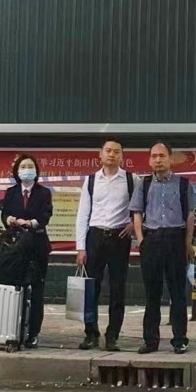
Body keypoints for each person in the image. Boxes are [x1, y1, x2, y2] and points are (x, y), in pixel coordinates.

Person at [132, 142, 196, 354]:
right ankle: (151, 340)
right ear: (150, 160)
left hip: (175, 240)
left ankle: (179, 339)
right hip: (151, 240)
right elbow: (137, 212)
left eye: (162, 156)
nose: (158, 160)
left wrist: (187, 243)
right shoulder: (144, 184)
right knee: (152, 293)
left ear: (170, 158)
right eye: (154, 156)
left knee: (177, 293)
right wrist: (141, 239)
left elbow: (189, 216)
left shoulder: (183, 184)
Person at [76, 140, 135, 352]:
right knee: (91, 288)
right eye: (108, 151)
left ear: (122, 156)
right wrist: (80, 247)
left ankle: (113, 336)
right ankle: (91, 333)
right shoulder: (91, 180)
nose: (111, 155)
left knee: (118, 289)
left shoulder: (131, 179)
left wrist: (133, 224)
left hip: (119, 238)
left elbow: (140, 209)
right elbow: (83, 214)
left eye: (116, 152)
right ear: (100, 155)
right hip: (96, 236)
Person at [0, 154, 52, 349]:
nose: (27, 169)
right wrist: (9, 219)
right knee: (15, 287)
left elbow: (46, 215)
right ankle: (13, 329)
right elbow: (4, 213)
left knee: (36, 290)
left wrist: (30, 223)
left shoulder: (44, 192)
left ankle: (33, 333)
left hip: (37, 245)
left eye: (30, 166)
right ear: (17, 171)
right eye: (23, 166)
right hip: (15, 247)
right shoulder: (12, 192)